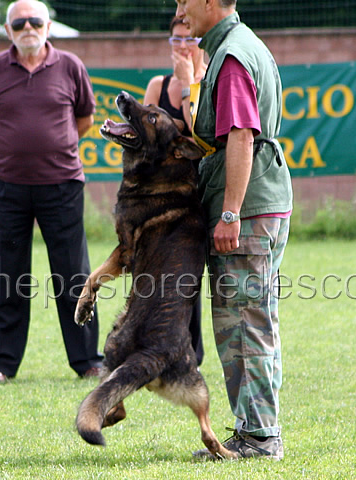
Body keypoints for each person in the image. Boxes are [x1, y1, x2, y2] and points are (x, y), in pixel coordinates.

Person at [175, 0, 293, 460]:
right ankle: (255, 429)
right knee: (248, 319)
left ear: (210, 2)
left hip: (247, 209)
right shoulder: (235, 47)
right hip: (260, 200)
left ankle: (261, 438)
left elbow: (241, 135)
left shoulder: (233, 56)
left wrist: (229, 214)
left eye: (185, 0)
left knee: (246, 322)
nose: (179, 9)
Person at [0, 0, 103, 382]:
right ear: (8, 29)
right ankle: (1, 365)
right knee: (6, 275)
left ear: (48, 27)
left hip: (62, 186)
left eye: (35, 21)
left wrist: (51, 149)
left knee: (73, 275)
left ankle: (88, 362)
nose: (27, 27)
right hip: (6, 187)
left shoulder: (70, 67)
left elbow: (84, 120)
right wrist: (14, 151)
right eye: (19, 23)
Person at [143, 16, 207, 366]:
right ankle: (166, 348)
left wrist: (187, 84)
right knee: (166, 274)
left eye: (190, 39)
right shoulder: (158, 84)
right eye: (176, 39)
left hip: (201, 192)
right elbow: (147, 137)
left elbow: (198, 133)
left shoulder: (209, 80)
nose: (183, 46)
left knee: (192, 275)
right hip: (165, 194)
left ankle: (192, 354)